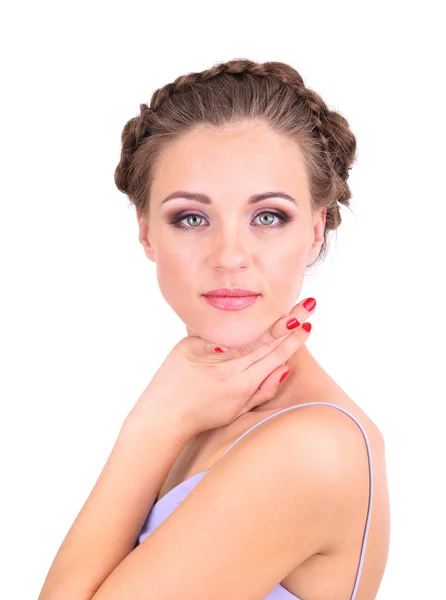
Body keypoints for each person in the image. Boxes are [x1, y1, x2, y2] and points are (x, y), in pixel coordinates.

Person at [39, 58, 390, 600]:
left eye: (269, 216)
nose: (229, 256)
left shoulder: (313, 448)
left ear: (316, 230)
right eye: (192, 218)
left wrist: (154, 423)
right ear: (146, 233)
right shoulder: (202, 402)